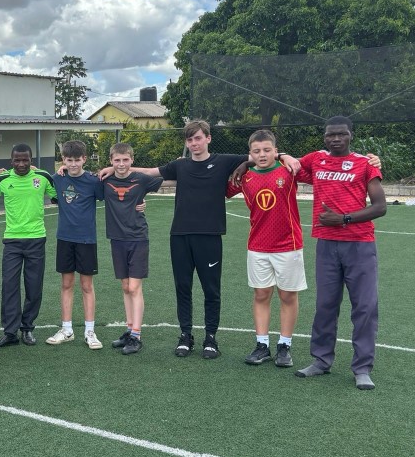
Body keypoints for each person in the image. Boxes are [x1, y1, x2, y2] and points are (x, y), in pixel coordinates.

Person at [122, 120, 297, 360]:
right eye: (190, 139)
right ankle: (185, 336)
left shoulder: (224, 161)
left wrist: (285, 155)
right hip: (180, 236)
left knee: (211, 290)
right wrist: (117, 169)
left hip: (210, 237)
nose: (194, 143)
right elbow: (152, 172)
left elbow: (259, 154)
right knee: (183, 288)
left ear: (208, 138)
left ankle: (211, 338)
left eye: (198, 138)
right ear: (187, 142)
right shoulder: (180, 165)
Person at [293, 116, 386, 390]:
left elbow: (380, 206)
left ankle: (362, 368)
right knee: (325, 305)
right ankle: (321, 361)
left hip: (359, 244)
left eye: (341, 134)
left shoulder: (365, 164)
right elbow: (283, 163)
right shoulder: (315, 160)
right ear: (324, 136)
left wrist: (345, 218)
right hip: (327, 245)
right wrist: (249, 161)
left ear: (351, 136)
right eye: (330, 134)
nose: (335, 139)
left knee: (365, 307)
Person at [225, 131, 305, 369]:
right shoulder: (244, 176)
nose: (262, 155)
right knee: (261, 295)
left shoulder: (288, 170)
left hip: (288, 245)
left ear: (275, 150)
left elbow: (310, 165)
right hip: (258, 246)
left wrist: (285, 156)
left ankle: (284, 346)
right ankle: (262, 345)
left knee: (287, 296)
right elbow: (222, 189)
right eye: (257, 151)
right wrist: (243, 164)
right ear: (250, 153)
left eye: (267, 150)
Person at [0, 143, 57, 348]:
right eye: (17, 160)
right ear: (11, 161)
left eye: (25, 159)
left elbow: (59, 197)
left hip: (36, 239)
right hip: (12, 241)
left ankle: (27, 328)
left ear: (31, 160)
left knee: (34, 286)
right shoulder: (2, 179)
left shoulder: (43, 177)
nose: (21, 164)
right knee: (9, 286)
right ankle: (10, 333)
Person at [101, 143, 162, 355]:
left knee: (135, 287)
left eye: (125, 160)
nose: (121, 164)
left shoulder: (141, 179)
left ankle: (136, 335)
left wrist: (143, 199)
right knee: (125, 287)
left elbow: (168, 177)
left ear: (132, 160)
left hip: (137, 238)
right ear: (110, 160)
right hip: (116, 239)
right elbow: (80, 177)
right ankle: (129, 330)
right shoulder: (105, 180)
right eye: (116, 160)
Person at [45, 140, 105, 350]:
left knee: (87, 286)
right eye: (69, 160)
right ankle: (67, 329)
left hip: (87, 240)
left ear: (84, 159)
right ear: (63, 160)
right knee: (66, 284)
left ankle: (90, 331)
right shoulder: (57, 179)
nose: (73, 164)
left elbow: (114, 195)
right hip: (65, 239)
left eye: (77, 160)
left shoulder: (93, 181)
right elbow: (37, 178)